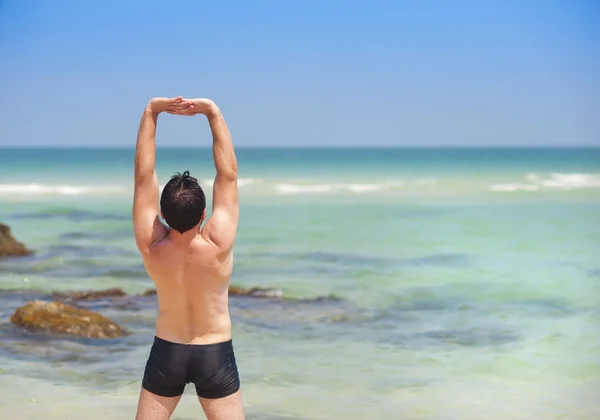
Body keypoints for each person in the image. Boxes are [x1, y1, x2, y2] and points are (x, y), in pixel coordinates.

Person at [132, 96, 243, 420]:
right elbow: (228, 174)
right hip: (215, 352)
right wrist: (212, 112)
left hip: (168, 350)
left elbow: (143, 175)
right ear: (204, 213)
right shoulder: (218, 242)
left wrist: (152, 111)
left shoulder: (152, 245)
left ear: (162, 214)